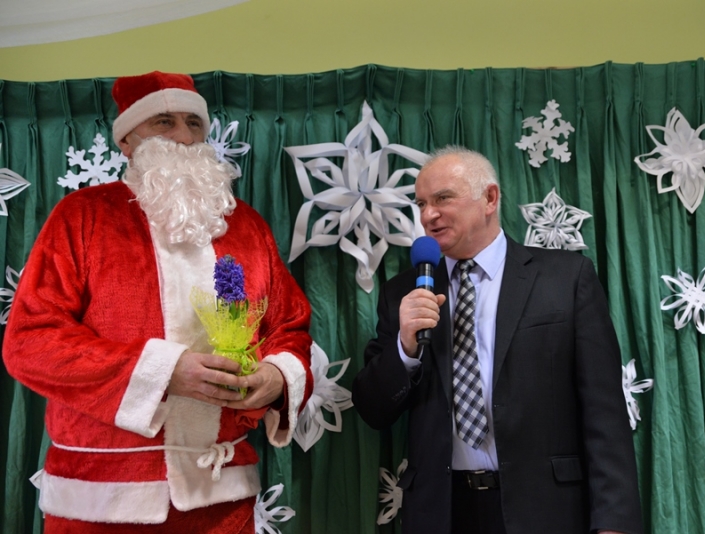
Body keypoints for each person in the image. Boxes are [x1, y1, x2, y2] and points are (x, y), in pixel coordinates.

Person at [2, 71, 313, 533]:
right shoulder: (82, 217)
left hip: (222, 497)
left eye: (194, 123)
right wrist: (164, 372)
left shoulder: (247, 226)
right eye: (164, 122)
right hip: (100, 500)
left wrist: (277, 377)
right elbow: (31, 341)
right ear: (126, 140)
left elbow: (289, 328)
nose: (184, 137)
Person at [352, 146, 643, 534]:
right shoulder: (403, 294)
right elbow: (372, 410)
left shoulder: (565, 279)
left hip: (546, 510)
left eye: (443, 199)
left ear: (489, 198)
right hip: (442, 512)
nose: (428, 215)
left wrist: (614, 523)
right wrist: (405, 349)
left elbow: (604, 412)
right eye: (421, 203)